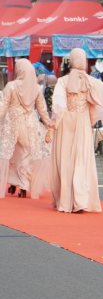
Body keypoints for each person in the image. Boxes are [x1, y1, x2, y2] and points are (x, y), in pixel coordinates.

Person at [49, 48, 103, 213]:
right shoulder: (91, 81)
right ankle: (80, 199)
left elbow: (58, 105)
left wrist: (53, 124)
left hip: (66, 123)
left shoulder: (63, 81)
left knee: (66, 160)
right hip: (82, 123)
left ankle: (66, 200)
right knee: (81, 159)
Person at [0, 59, 55, 199]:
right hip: (30, 125)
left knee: (11, 155)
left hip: (12, 124)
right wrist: (49, 123)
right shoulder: (35, 88)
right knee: (26, 154)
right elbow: (42, 109)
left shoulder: (11, 86)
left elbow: (3, 106)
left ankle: (13, 183)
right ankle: (24, 185)